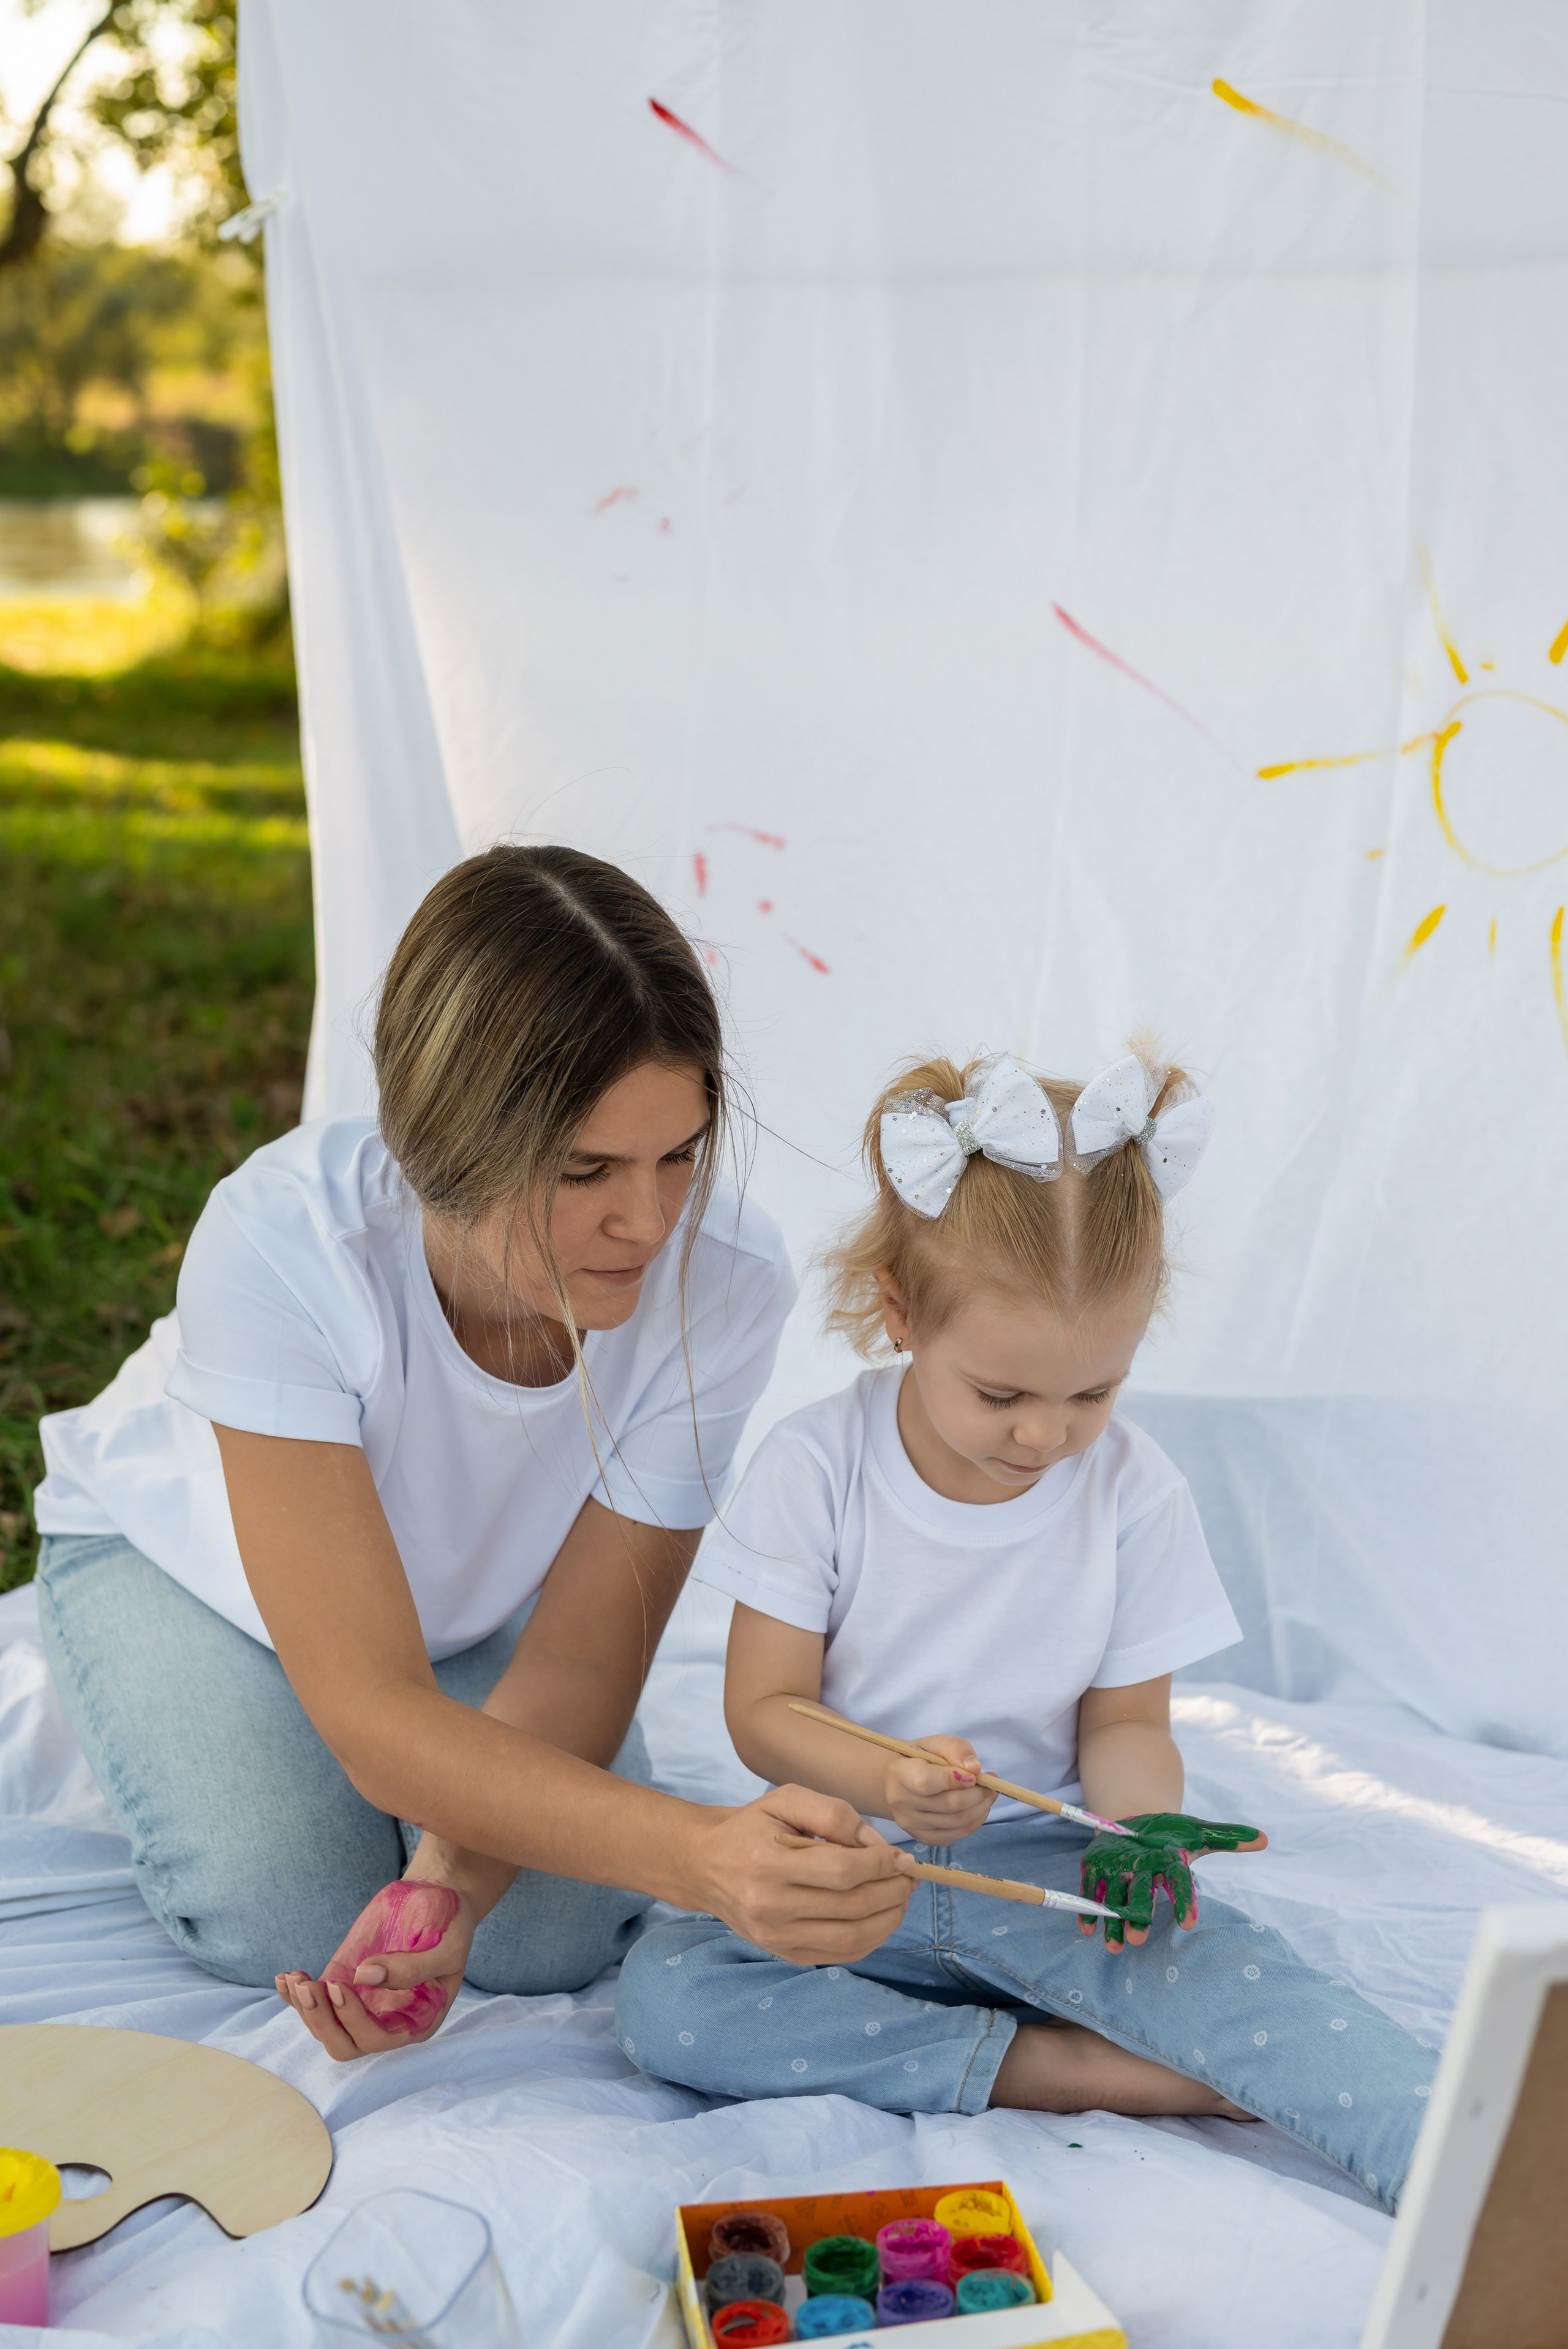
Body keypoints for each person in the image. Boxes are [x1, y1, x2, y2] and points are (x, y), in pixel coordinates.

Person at [32, 845, 918, 2059]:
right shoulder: (285, 1244)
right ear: (445, 1144)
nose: (647, 1221)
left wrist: (445, 1881)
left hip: (451, 1608)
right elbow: (372, 1714)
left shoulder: (724, 1278)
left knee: (544, 1936)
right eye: (586, 1170)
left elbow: (586, 1647)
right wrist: (699, 1853)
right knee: (287, 1912)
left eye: (680, 1153)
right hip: (182, 1567)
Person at [616, 1049, 1438, 2209]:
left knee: (1259, 1991)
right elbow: (761, 1710)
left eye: (1093, 1393)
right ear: (900, 1312)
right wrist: (890, 1779)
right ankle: (1067, 2070)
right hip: (857, 1864)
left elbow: (1128, 1723)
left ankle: (1474, 2162)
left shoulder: (1135, 1491)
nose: (1047, 1436)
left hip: (1057, 1873)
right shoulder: (817, 1465)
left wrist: (1140, 1831)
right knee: (671, 1996)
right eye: (1001, 1395)